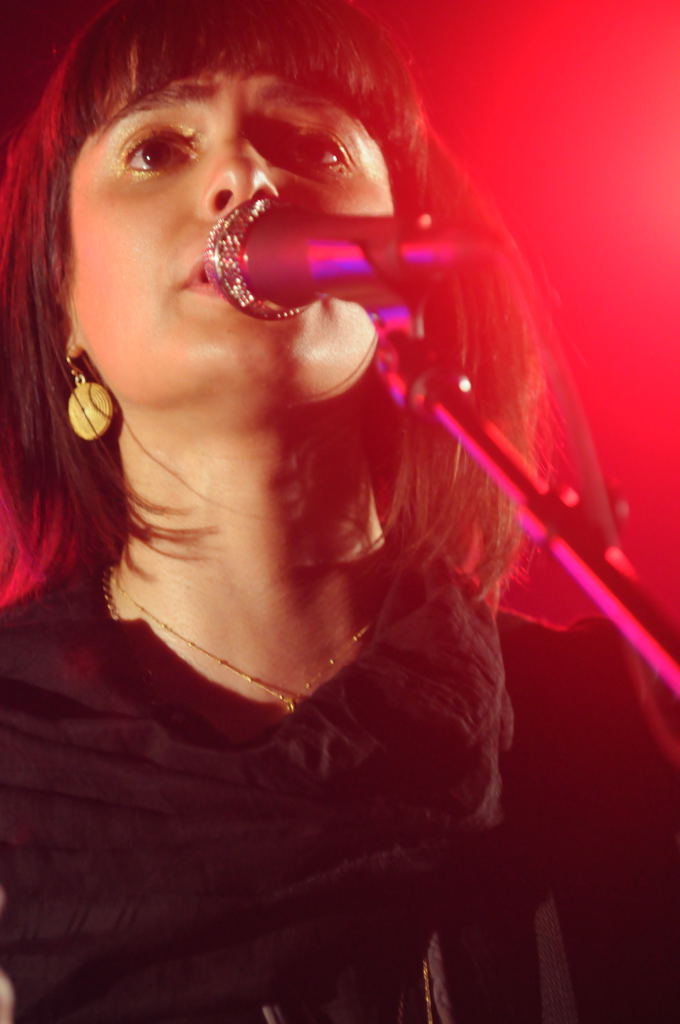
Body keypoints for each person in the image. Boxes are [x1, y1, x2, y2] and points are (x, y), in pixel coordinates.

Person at [0, 0, 676, 1021]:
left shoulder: (618, 726)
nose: (247, 177)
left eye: (312, 145)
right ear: (62, 299)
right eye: (158, 149)